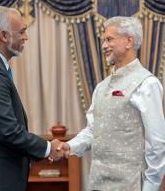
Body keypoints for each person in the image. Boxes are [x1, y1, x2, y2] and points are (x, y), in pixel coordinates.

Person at [57, 16, 165, 191]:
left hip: (130, 185)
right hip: (97, 183)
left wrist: (150, 188)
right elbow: (93, 131)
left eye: (109, 39)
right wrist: (70, 146)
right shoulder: (101, 87)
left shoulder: (147, 84)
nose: (104, 46)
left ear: (129, 40)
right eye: (103, 40)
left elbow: (157, 144)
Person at [0, 6, 62, 191]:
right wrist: (48, 148)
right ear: (4, 36)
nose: (26, 37)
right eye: (22, 31)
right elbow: (7, 130)